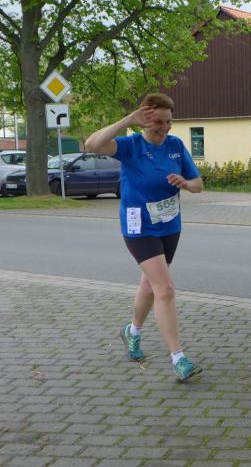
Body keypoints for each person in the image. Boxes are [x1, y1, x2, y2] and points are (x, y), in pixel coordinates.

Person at [85, 93, 204, 382]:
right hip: (139, 227)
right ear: (144, 121)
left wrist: (186, 184)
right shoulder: (131, 146)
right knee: (165, 289)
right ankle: (178, 358)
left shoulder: (175, 146)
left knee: (150, 286)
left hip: (170, 226)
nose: (164, 128)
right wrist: (128, 120)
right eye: (157, 123)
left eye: (168, 122)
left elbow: (198, 184)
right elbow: (92, 145)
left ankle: (132, 332)